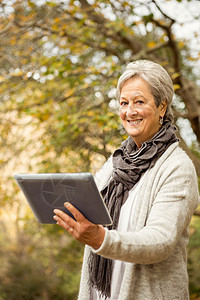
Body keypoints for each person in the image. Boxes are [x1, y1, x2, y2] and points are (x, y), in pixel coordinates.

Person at [53, 60, 200, 300]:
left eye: (139, 102)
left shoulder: (177, 167)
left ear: (162, 106)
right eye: (124, 103)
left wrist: (101, 239)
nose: (129, 112)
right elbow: (91, 207)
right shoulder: (116, 161)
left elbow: (160, 241)